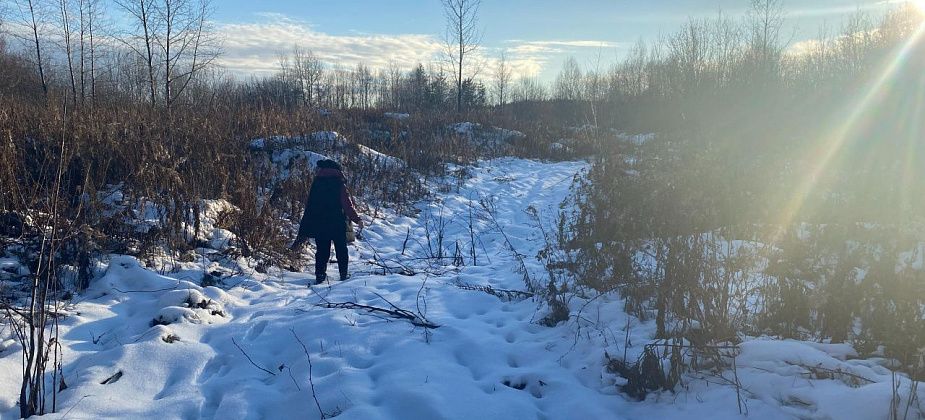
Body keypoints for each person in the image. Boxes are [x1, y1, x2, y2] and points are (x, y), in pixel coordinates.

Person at [291, 159, 363, 284]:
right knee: (341, 249)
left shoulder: (317, 183)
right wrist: (357, 219)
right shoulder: (339, 184)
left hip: (320, 223)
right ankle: (343, 274)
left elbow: (311, 205)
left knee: (322, 251)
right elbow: (347, 205)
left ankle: (320, 275)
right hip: (337, 223)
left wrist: (308, 224)